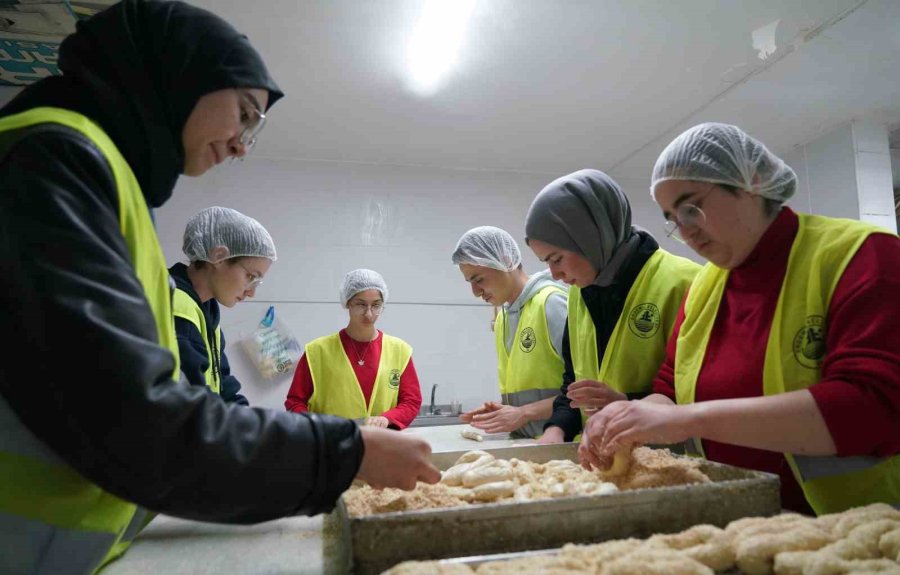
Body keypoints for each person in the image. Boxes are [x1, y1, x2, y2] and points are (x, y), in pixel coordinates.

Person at [0, 2, 439, 573]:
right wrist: (342, 452)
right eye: (246, 114)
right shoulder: (54, 158)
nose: (240, 144)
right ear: (183, 73)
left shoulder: (102, 172)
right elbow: (131, 418)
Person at [579, 122, 900, 516]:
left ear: (753, 181)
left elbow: (873, 409)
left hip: (853, 527)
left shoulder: (862, 256)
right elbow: (671, 388)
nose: (687, 230)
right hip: (734, 517)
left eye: (690, 207)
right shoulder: (705, 289)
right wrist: (626, 417)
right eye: (673, 219)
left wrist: (684, 420)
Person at [524, 169, 700, 444]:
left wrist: (625, 404)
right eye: (546, 262)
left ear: (589, 237)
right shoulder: (579, 292)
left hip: (665, 461)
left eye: (557, 258)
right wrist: (555, 431)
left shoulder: (685, 281)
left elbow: (698, 392)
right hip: (604, 458)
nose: (554, 274)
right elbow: (571, 384)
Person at [451, 226, 568, 438]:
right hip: (528, 444)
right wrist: (505, 409)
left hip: (564, 445)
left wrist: (524, 413)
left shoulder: (551, 304)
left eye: (479, 280)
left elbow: (586, 389)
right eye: (470, 282)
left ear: (505, 260)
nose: (476, 292)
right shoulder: (504, 317)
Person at [285, 269, 422, 429]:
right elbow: (295, 402)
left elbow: (411, 401)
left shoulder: (399, 350)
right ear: (347, 303)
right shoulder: (317, 351)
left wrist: (387, 418)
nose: (369, 314)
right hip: (331, 447)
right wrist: (317, 428)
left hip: (381, 446)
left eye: (376, 305)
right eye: (361, 304)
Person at [169, 206, 276, 405]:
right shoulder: (177, 308)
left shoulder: (205, 311)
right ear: (219, 257)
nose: (251, 292)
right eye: (250, 277)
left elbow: (223, 387)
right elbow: (193, 402)